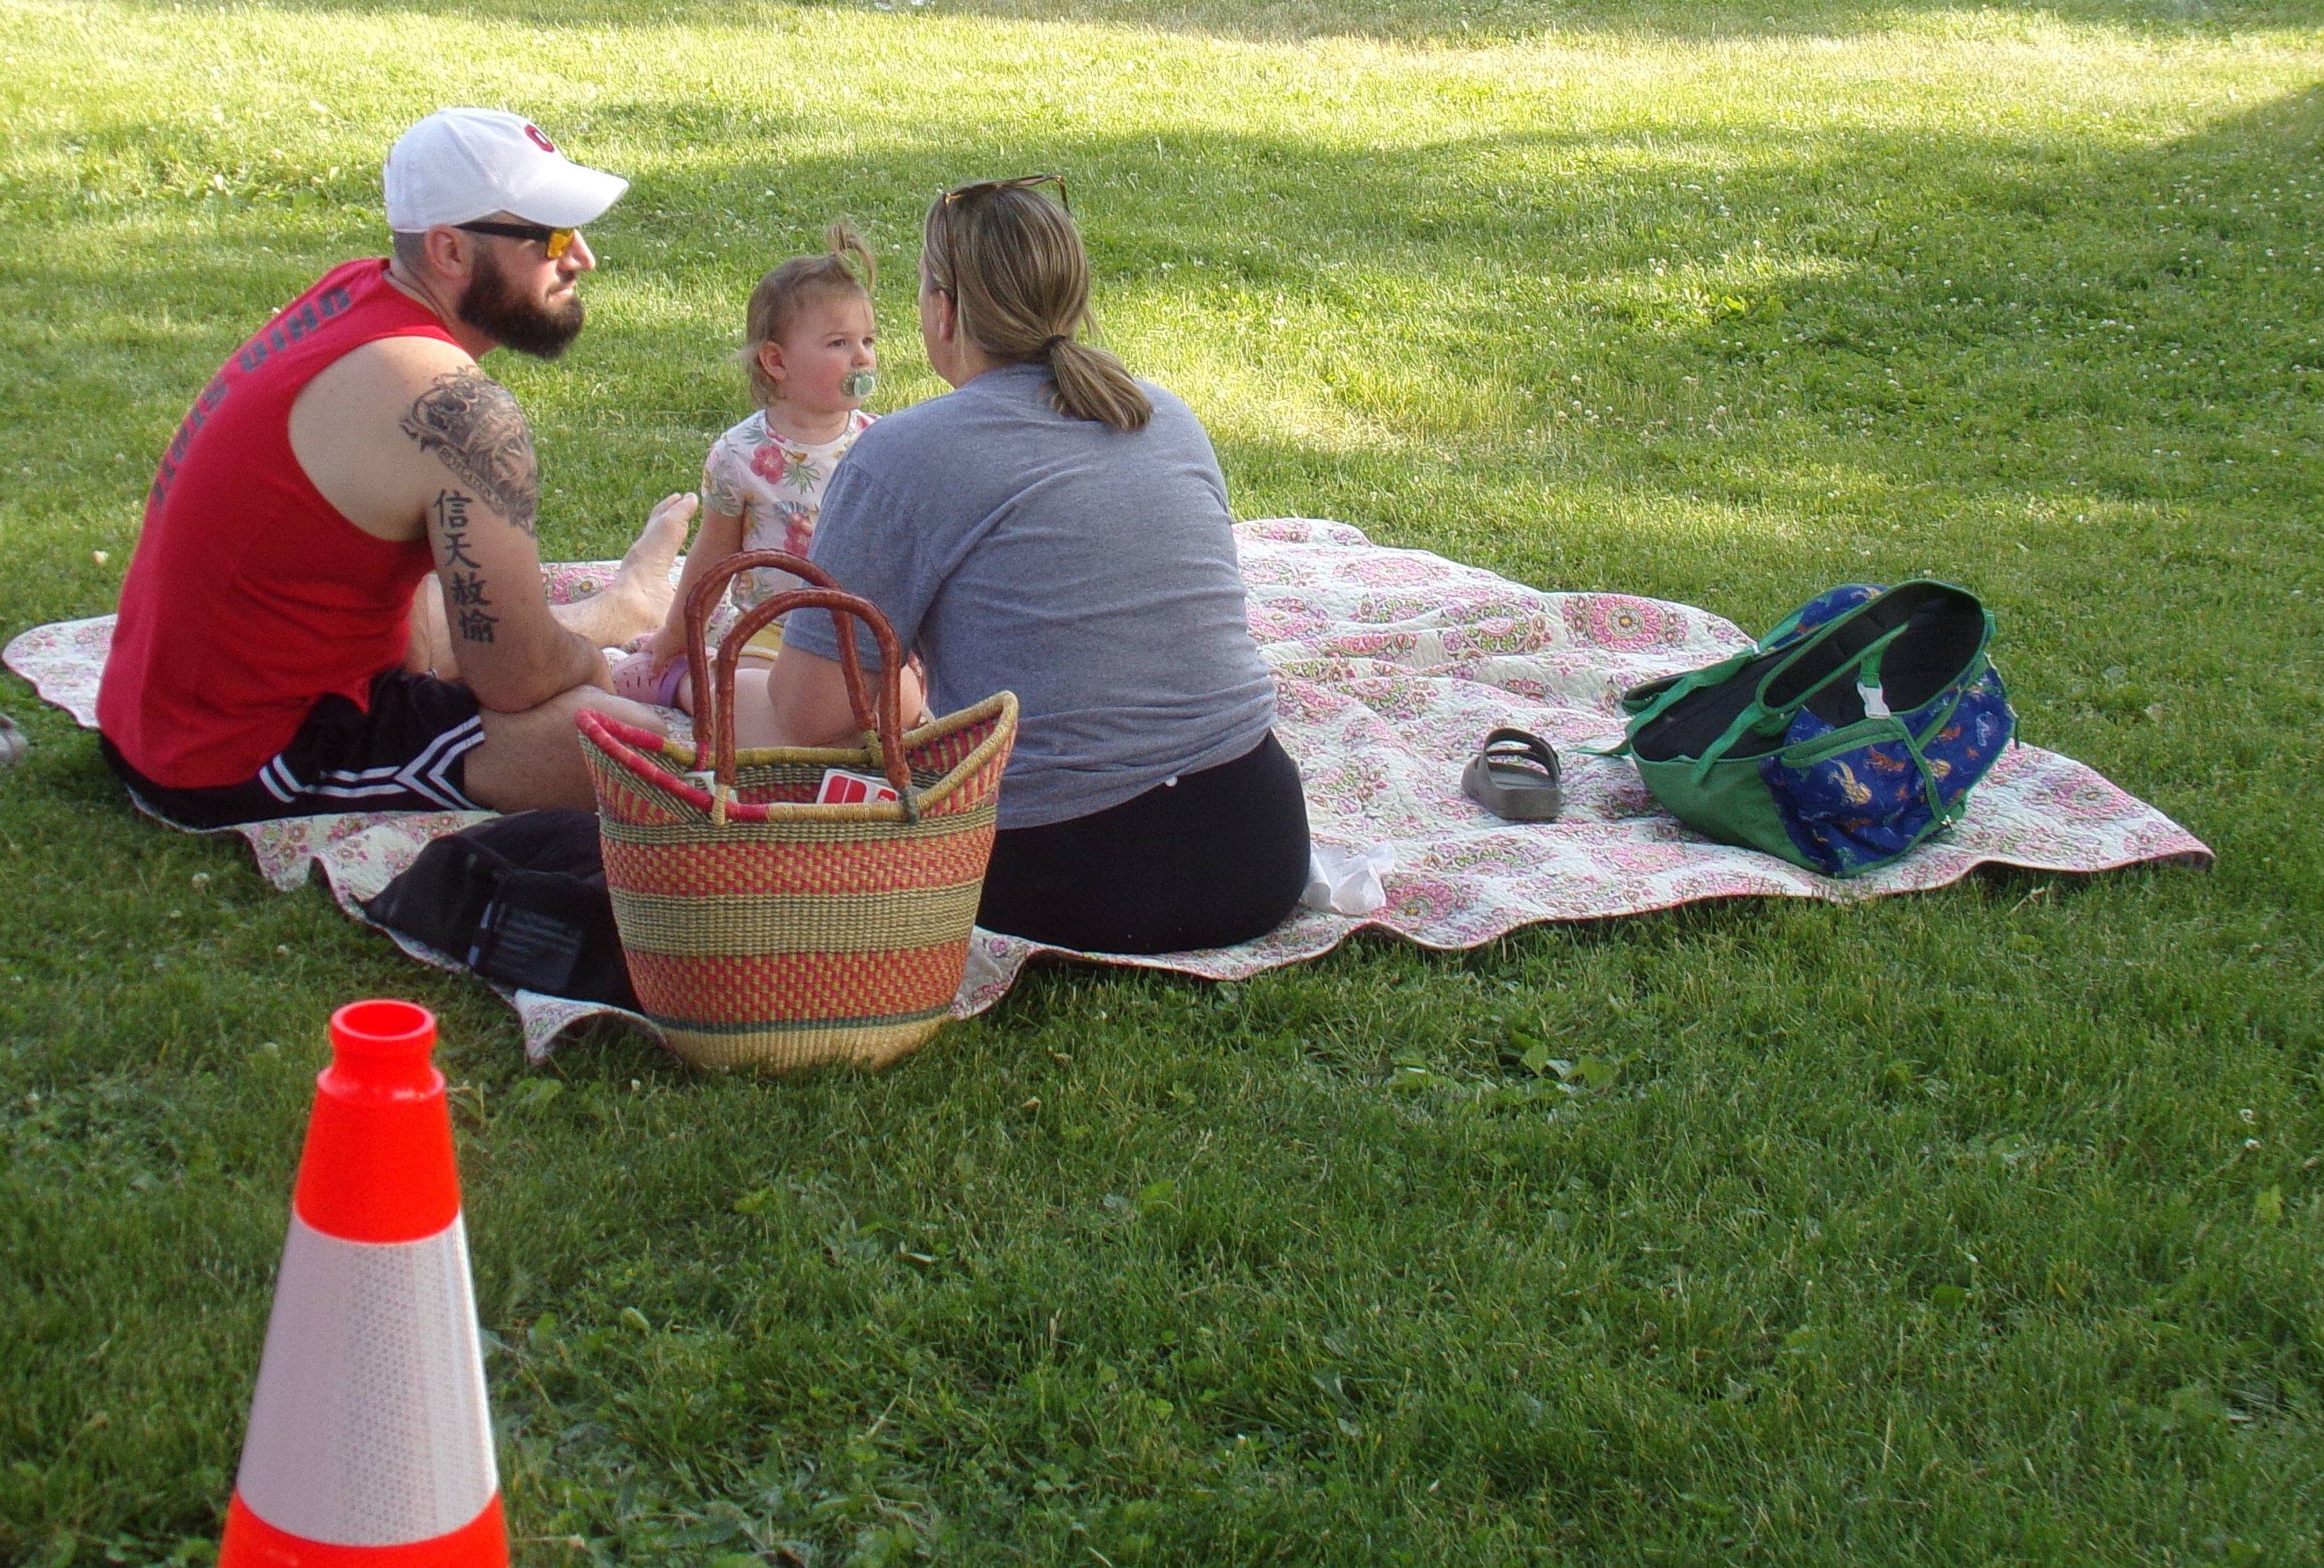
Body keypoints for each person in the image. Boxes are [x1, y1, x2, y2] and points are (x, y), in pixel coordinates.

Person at [96, 107, 692, 828]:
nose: (582, 257)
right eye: (553, 236)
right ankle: (617, 615)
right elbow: (517, 680)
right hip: (233, 757)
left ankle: (617, 609)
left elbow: (429, 618)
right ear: (449, 250)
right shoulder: (455, 405)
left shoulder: (356, 291)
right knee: (641, 748)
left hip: (169, 708)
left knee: (486, 617)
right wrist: (593, 668)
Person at [762, 176, 1310, 954]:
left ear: (944, 311)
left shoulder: (904, 454)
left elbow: (812, 716)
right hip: (1258, 848)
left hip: (1064, 874)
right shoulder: (1165, 415)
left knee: (749, 715)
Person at [610, 222, 890, 716]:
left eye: (867, 339)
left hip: (857, 629)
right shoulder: (740, 455)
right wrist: (675, 638)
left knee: (889, 701)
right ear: (777, 362)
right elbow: (713, 558)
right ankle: (678, 680)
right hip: (771, 631)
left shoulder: (883, 442)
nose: (863, 357)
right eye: (838, 344)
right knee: (751, 706)